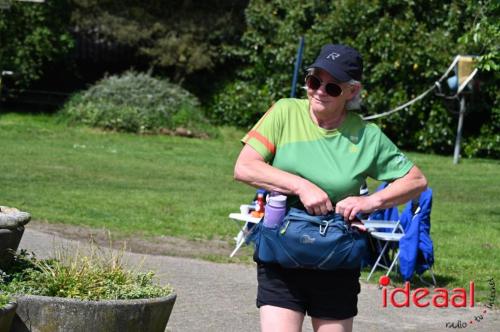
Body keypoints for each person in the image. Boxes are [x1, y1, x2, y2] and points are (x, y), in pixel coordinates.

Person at [234, 43, 427, 332]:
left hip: (336, 257)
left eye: (332, 87)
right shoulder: (285, 111)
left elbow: (416, 181)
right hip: (281, 251)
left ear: (352, 91)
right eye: (314, 81)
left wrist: (370, 202)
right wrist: (301, 186)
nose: (320, 91)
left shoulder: (367, 136)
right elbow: (245, 167)